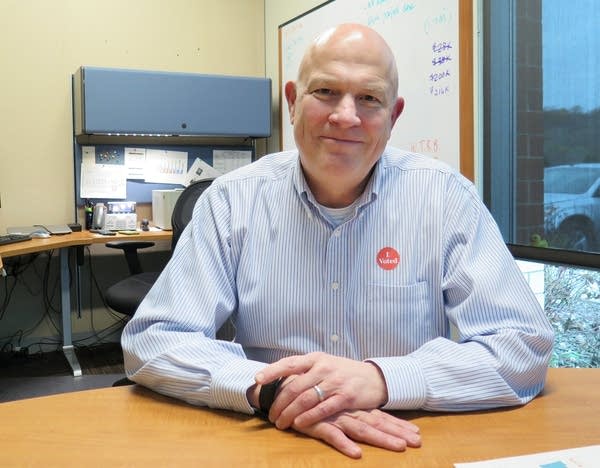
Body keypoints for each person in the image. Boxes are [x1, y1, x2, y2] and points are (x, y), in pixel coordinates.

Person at [122, 23, 554, 459]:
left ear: (394, 116)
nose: (345, 116)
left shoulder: (444, 199)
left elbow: (522, 344)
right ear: (292, 102)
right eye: (326, 91)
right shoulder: (232, 202)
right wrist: (273, 392)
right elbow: (154, 339)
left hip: (406, 442)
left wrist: (382, 379)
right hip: (274, 441)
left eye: (368, 98)